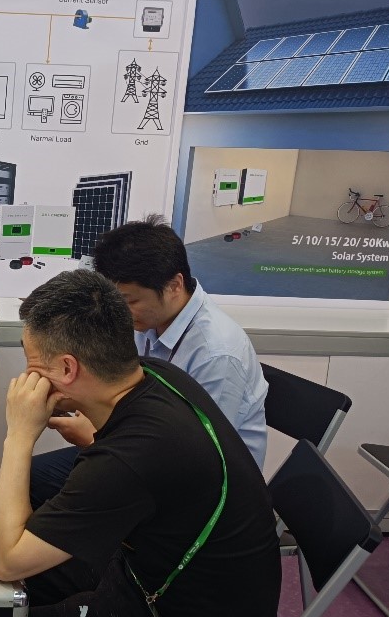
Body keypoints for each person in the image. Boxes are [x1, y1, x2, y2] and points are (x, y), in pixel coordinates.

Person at [0, 269, 280, 617]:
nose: (28, 377)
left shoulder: (129, 459)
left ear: (67, 368)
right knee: (10, 593)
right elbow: (143, 467)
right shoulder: (157, 375)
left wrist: (19, 434)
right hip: (187, 590)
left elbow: (9, 561)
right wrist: (92, 436)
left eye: (32, 362)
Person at [31, 215, 269, 505]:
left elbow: (197, 457)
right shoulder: (148, 323)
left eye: (130, 301)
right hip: (141, 446)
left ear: (174, 285)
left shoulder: (216, 353)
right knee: (36, 479)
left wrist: (95, 438)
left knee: (69, 502)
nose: (122, 312)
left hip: (202, 492)